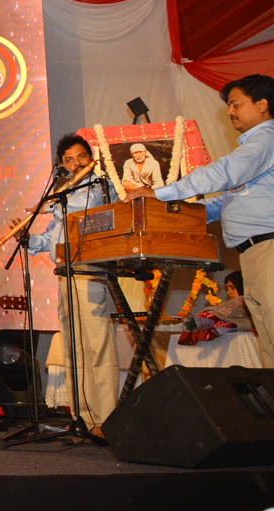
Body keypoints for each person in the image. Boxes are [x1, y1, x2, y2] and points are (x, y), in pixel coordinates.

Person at [128, 74, 274, 367]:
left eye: (236, 104)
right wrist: (173, 215)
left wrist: (162, 194)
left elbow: (224, 172)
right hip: (255, 254)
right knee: (269, 346)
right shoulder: (257, 146)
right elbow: (224, 203)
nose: (230, 111)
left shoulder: (266, 139)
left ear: (262, 104)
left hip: (268, 249)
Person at [26, 132, 116, 433]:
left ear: (90, 158)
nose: (76, 163)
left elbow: (85, 210)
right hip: (65, 271)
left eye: (81, 157)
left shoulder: (100, 186)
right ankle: (83, 417)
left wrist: (52, 203)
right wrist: (28, 240)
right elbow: (52, 237)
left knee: (97, 345)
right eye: (69, 160)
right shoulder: (64, 194)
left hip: (90, 270)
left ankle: (106, 418)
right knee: (74, 346)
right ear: (62, 166)